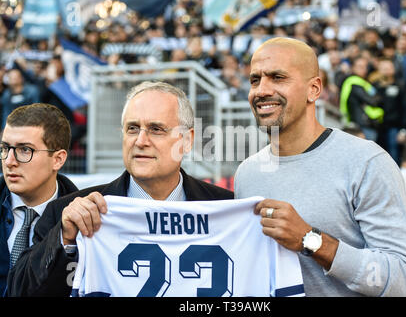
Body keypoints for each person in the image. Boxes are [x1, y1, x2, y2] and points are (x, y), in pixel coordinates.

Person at [7, 81, 233, 297]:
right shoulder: (64, 212)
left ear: (186, 140)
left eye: (156, 129)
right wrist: (63, 239)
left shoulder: (228, 210)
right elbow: (21, 290)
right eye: (133, 128)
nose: (141, 140)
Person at [234, 37, 406, 296]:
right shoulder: (247, 173)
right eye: (255, 80)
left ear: (314, 89)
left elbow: (404, 282)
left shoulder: (366, 162)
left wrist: (311, 240)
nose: (261, 90)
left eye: (277, 77)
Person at [0, 103, 78, 295]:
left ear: (58, 159)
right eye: (4, 148)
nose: (10, 161)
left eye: (25, 150)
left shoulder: (86, 222)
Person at [339, 56, 384, 141]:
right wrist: (378, 98)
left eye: (365, 67)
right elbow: (372, 101)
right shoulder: (354, 82)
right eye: (360, 66)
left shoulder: (363, 82)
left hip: (365, 124)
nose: (363, 69)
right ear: (353, 68)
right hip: (362, 124)